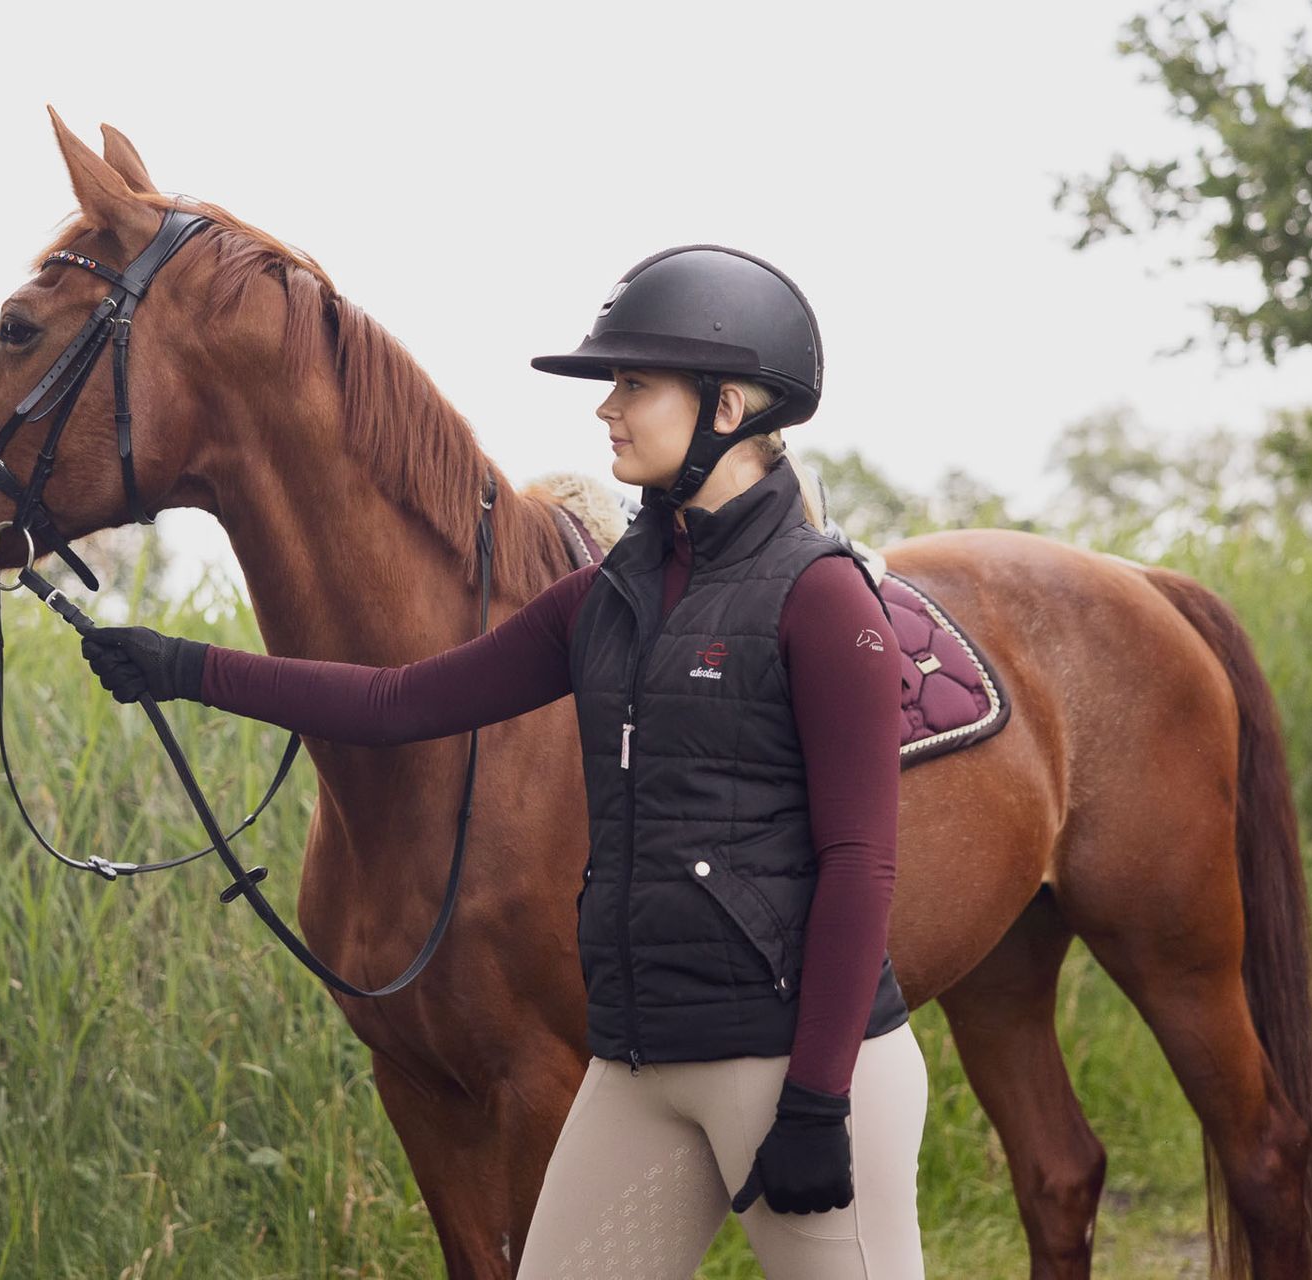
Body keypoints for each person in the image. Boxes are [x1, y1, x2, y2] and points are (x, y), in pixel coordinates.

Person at [80, 244, 928, 1278]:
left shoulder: (821, 597)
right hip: (638, 1067)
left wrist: (819, 1097)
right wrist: (183, 666)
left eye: (635, 384)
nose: (607, 408)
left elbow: (860, 863)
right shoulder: (607, 598)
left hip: (793, 1063)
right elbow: (401, 702)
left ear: (727, 405)